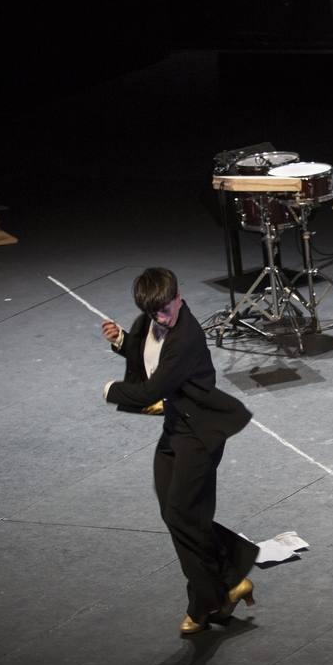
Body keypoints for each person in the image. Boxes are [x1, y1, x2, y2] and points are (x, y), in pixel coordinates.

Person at [100, 267, 258, 635]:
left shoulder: (186, 337)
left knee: (181, 516)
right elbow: (146, 352)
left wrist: (110, 389)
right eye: (154, 313)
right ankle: (230, 579)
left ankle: (205, 602)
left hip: (199, 434)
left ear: (178, 295)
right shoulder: (154, 321)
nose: (161, 318)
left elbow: (149, 391)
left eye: (166, 310)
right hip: (176, 428)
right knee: (178, 517)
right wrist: (123, 340)